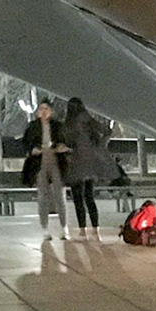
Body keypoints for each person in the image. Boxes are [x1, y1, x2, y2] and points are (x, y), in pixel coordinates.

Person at [60, 97, 114, 241]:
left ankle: (83, 229)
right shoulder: (88, 121)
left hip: (75, 162)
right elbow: (107, 131)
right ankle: (95, 229)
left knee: (78, 197)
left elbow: (64, 142)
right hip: (89, 162)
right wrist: (100, 146)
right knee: (89, 197)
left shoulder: (67, 124)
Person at [20, 100, 70, 239]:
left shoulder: (58, 126)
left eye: (46, 108)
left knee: (60, 196)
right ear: (37, 112)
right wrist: (32, 150)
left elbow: (66, 141)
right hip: (39, 162)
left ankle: (64, 227)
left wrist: (62, 147)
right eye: (41, 108)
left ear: (51, 111)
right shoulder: (32, 127)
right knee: (43, 196)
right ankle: (45, 229)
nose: (43, 111)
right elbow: (26, 143)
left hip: (56, 161)